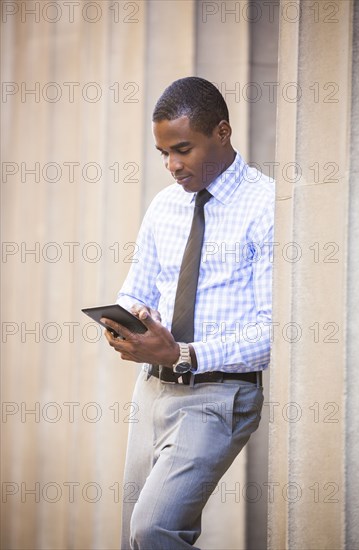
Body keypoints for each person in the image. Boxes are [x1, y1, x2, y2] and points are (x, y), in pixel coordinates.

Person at [102, 76, 275, 550]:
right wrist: (129, 324)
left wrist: (183, 353)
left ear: (222, 132)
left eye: (182, 149)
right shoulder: (164, 207)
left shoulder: (267, 205)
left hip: (218, 396)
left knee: (154, 531)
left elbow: (273, 332)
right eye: (163, 154)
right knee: (133, 539)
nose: (172, 166)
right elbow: (136, 289)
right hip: (152, 390)